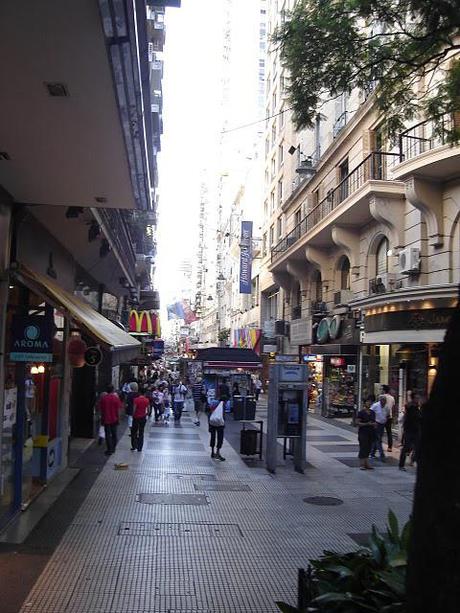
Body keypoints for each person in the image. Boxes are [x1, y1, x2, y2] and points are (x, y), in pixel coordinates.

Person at [399, 392, 422, 471]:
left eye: (418, 398)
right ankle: (401, 465)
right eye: (417, 398)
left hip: (416, 430)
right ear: (413, 399)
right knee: (406, 448)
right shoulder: (411, 407)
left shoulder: (416, 407)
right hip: (410, 430)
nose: (418, 399)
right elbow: (415, 417)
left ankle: (412, 460)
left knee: (417, 447)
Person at [99, 384, 122, 455]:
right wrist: (118, 418)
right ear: (113, 390)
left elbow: (101, 410)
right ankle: (113, 448)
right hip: (114, 418)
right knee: (114, 434)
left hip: (106, 418)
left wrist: (101, 418)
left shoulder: (103, 398)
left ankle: (109, 449)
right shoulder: (116, 398)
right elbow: (118, 410)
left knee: (108, 434)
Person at [356, 395, 376, 470]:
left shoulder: (373, 413)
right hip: (363, 433)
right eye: (368, 401)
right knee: (363, 447)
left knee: (368, 448)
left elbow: (374, 422)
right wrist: (367, 424)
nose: (369, 403)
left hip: (371, 433)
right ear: (365, 403)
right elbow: (357, 423)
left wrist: (374, 425)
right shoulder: (361, 412)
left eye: (370, 402)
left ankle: (367, 463)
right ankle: (362, 464)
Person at [370, 395, 390, 462]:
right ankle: (382, 455)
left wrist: (385, 420)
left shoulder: (387, 407)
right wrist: (373, 422)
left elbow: (388, 415)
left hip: (382, 424)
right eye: (383, 400)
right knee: (378, 440)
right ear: (380, 400)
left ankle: (372, 453)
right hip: (376, 424)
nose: (384, 402)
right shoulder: (375, 405)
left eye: (385, 401)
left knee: (377, 439)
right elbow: (370, 413)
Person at [131, 387, 150, 452]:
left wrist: (133, 415)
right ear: (145, 393)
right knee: (141, 432)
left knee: (134, 432)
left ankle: (134, 446)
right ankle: (140, 447)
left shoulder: (136, 399)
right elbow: (148, 409)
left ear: (139, 392)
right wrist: (146, 414)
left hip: (136, 417)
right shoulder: (147, 400)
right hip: (143, 417)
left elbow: (134, 409)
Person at [381, 385, 396, 452]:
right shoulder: (392, 398)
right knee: (389, 432)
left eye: (381, 389)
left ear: (384, 390)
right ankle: (390, 447)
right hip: (389, 416)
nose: (381, 390)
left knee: (380, 432)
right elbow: (393, 408)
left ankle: (378, 446)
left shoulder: (381, 397)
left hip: (382, 416)